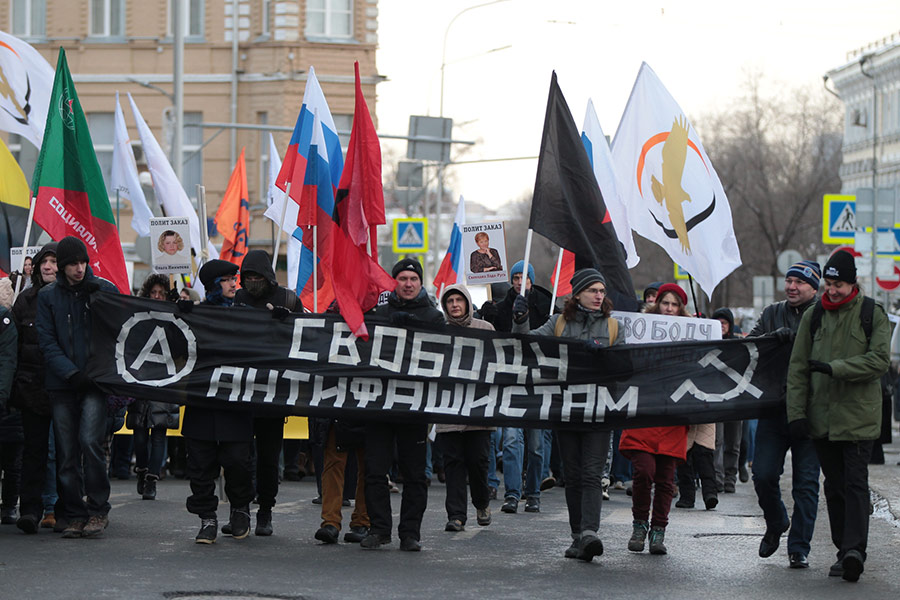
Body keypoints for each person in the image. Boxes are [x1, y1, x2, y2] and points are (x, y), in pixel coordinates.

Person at [786, 251, 890, 583]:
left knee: (855, 483)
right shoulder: (814, 316)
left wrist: (836, 369)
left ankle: (854, 551)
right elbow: (798, 367)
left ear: (853, 282)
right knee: (834, 486)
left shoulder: (873, 313)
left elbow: (879, 361)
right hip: (822, 418)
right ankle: (841, 550)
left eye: (839, 285)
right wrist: (796, 414)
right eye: (828, 284)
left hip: (860, 417)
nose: (832, 290)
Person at [514, 268, 624, 562]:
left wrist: (605, 357)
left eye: (602, 291)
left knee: (591, 474)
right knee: (572, 475)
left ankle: (590, 532)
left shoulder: (614, 328)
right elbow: (526, 345)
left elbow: (625, 367)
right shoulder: (558, 323)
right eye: (592, 290)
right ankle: (578, 536)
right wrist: (521, 319)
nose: (599, 296)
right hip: (566, 409)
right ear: (577, 294)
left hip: (599, 412)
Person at [35, 236, 118, 538]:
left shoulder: (103, 290)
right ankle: (74, 513)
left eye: (82, 262)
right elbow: (47, 340)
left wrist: (103, 301)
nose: (79, 268)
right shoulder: (48, 297)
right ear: (62, 266)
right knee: (66, 452)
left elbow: (121, 329)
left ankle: (98, 509)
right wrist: (70, 373)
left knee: (90, 442)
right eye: (72, 263)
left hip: (94, 383)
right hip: (63, 384)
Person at [361, 258, 444, 551]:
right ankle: (379, 528)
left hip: (414, 407)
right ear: (393, 282)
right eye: (402, 279)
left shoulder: (434, 318)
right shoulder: (379, 314)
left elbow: (447, 356)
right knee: (374, 471)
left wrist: (418, 329)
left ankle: (410, 533)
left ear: (421, 283)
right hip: (380, 406)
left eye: (413, 279)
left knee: (414, 474)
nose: (408, 284)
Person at [749, 260, 822, 570]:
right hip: (774, 410)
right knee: (763, 474)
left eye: (800, 282)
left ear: (814, 288)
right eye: (789, 280)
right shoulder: (771, 313)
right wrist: (768, 341)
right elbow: (747, 348)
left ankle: (799, 547)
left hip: (810, 413)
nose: (792, 286)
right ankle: (776, 520)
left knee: (806, 485)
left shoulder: (825, 314)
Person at [180, 259, 254, 544]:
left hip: (235, 403)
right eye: (226, 280)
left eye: (234, 279)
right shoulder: (196, 315)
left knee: (237, 461)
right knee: (200, 464)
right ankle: (207, 518)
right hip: (201, 402)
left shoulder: (246, 315)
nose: (234, 284)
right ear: (212, 285)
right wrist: (179, 313)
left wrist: (279, 319)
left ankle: (240, 509)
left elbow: (269, 339)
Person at [233, 249, 303, 536]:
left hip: (273, 394)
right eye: (247, 277)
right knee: (238, 456)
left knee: (268, 457)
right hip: (242, 392)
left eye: (256, 277)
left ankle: (265, 510)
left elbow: (307, 336)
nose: (252, 282)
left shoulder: (288, 299)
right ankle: (239, 509)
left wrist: (290, 321)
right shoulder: (238, 300)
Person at [619, 283, 690, 555]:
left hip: (672, 416)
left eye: (674, 305)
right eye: (665, 303)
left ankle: (658, 532)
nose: (669, 309)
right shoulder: (640, 330)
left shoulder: (691, 336)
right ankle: (639, 525)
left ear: (680, 309)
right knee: (644, 470)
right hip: (645, 412)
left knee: (665, 479)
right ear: (657, 305)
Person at [486, 260, 551, 514]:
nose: (518, 282)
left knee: (536, 445)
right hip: (511, 380)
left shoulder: (546, 305)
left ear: (531, 281)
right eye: (515, 278)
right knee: (512, 439)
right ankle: (512, 494)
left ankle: (533, 493)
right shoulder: (500, 307)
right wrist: (489, 317)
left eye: (523, 278)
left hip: (539, 382)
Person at [11, 244, 63, 534]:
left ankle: (62, 509)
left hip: (63, 391)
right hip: (31, 391)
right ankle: (29, 510)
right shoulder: (24, 301)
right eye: (44, 261)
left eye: (54, 261)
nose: (48, 266)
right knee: (34, 452)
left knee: (66, 453)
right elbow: (15, 348)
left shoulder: (71, 299)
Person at [437, 284, 495, 533]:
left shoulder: (485, 329)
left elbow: (499, 362)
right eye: (450, 301)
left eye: (459, 299)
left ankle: (481, 503)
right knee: (453, 464)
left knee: (478, 462)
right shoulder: (437, 332)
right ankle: (456, 515)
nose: (455, 305)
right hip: (448, 409)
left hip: (478, 411)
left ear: (468, 303)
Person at [127, 274, 181, 501]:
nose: (157, 296)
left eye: (162, 293)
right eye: (154, 293)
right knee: (139, 433)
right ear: (147, 293)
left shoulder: (174, 318)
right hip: (141, 378)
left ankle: (152, 479)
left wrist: (178, 310)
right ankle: (141, 469)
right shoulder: (139, 317)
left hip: (164, 381)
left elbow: (180, 345)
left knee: (159, 432)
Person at [712, 307, 742, 494]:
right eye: (718, 323)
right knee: (717, 441)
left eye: (724, 323)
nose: (721, 326)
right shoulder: (708, 344)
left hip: (736, 401)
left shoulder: (739, 345)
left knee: (734, 442)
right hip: (715, 399)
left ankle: (731, 477)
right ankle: (717, 478)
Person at [0, 295, 19, 525]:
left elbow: (7, 361)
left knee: (11, 458)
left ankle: (9, 505)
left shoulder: (4, 319)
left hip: (7, 404)